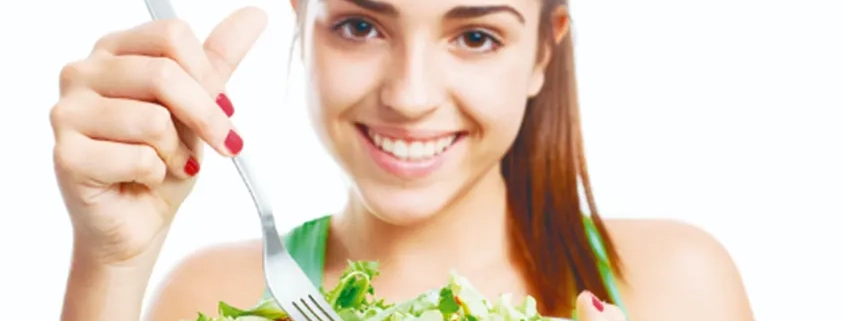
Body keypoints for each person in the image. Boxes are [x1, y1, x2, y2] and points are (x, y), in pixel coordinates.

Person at [50, 0, 755, 320]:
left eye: (475, 35)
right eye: (361, 26)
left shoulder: (678, 287)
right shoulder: (209, 297)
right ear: (302, 18)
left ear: (544, 48)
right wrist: (110, 264)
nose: (410, 96)